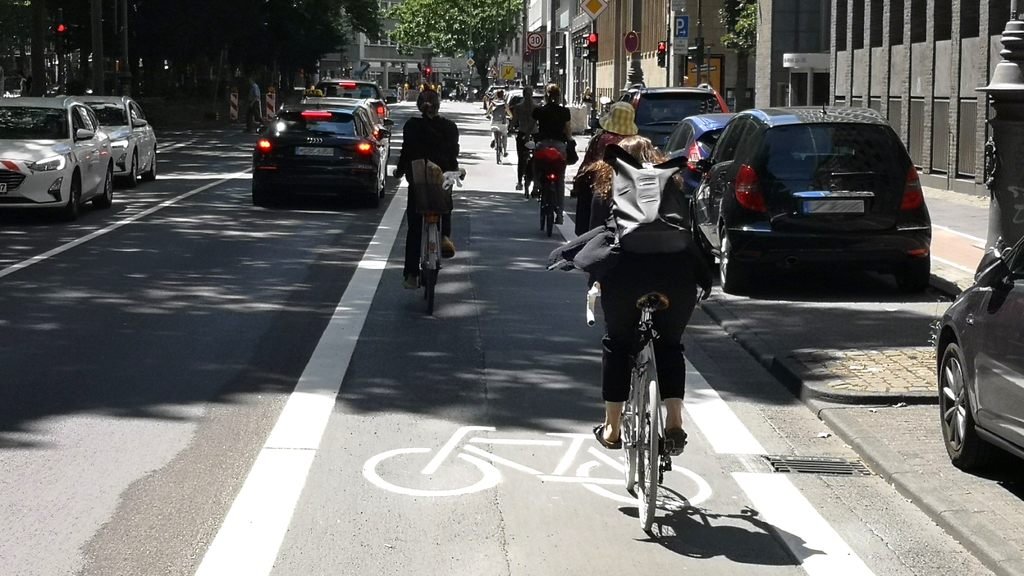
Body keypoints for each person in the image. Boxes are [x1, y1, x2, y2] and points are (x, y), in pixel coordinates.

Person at [585, 135, 712, 454]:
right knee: (669, 346)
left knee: (617, 345)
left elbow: (593, 242)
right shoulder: (674, 187)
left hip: (626, 277)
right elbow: (692, 235)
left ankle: (613, 429)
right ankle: (675, 424)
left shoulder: (608, 191)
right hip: (675, 277)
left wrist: (595, 282)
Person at [393, 89, 460, 290]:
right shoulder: (449, 127)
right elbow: (453, 154)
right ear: (438, 105)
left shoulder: (412, 126)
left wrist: (399, 171)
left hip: (418, 180)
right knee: (445, 203)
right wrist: (455, 170)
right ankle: (444, 235)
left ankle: (412, 275)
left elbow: (406, 153)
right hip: (441, 179)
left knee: (414, 227)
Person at [573, 101, 638, 236]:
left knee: (585, 195)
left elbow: (587, 163)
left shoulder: (600, 139)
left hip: (600, 186)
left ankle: (583, 234)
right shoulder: (635, 142)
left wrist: (577, 183)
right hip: (630, 187)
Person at [532, 84, 574, 224]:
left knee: (537, 163)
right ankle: (560, 215)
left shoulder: (540, 110)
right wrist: (570, 141)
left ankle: (537, 184)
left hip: (543, 144)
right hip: (558, 147)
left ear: (546, 95)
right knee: (560, 180)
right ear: (559, 96)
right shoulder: (564, 111)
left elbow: (533, 128)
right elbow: (568, 131)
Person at [509, 86, 539, 194]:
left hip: (522, 133)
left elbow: (514, 120)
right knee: (537, 158)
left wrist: (511, 128)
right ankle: (536, 182)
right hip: (534, 134)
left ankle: (519, 182)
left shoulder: (518, 107)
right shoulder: (536, 107)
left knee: (521, 158)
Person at [487, 89, 511, 162]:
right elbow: (508, 111)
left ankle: (493, 140)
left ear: (496, 95)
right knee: (504, 135)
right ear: (503, 95)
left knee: (493, 130)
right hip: (502, 122)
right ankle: (505, 150)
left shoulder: (493, 102)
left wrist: (488, 114)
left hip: (494, 122)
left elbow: (488, 111)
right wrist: (511, 116)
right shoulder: (504, 103)